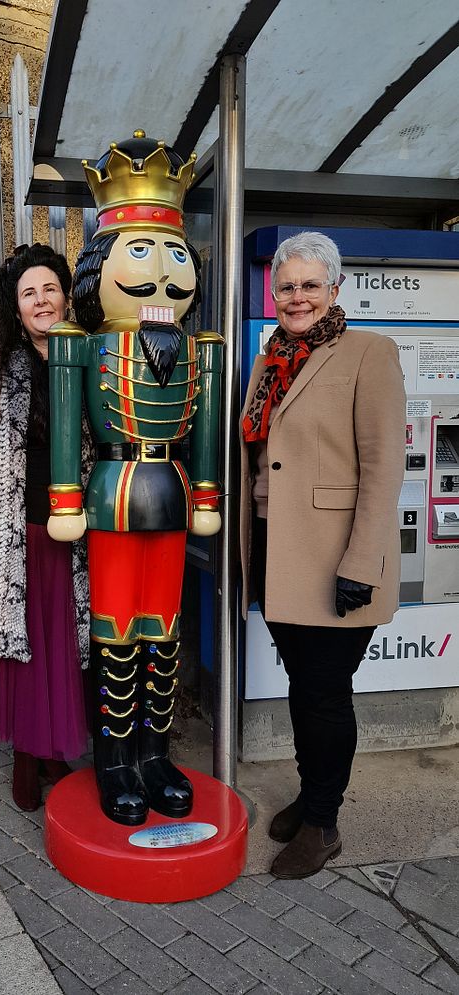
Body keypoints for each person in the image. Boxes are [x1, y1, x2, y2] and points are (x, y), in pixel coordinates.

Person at [47, 131, 223, 826]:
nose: (162, 272)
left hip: (173, 496)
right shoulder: (79, 345)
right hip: (114, 495)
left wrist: (206, 492)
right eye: (140, 251)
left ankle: (156, 753)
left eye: (174, 252)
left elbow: (203, 429)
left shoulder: (197, 347)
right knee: (117, 631)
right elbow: (69, 429)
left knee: (165, 629)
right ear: (102, 264)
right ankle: (115, 761)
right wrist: (66, 497)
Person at [240, 231, 406, 878]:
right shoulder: (268, 360)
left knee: (325, 694)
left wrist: (361, 563)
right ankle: (311, 796)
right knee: (303, 688)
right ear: (273, 293)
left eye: (311, 285)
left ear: (335, 290)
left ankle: (323, 823)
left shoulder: (369, 353)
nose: (298, 296)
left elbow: (384, 465)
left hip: (337, 563)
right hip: (278, 557)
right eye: (287, 286)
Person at [0, 243, 90, 812]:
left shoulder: (91, 358)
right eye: (28, 294)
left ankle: (54, 751)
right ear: (15, 310)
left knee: (63, 641)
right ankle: (25, 755)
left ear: (66, 295)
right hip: (17, 533)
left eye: (49, 289)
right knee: (25, 644)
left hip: (75, 530)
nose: (41, 301)